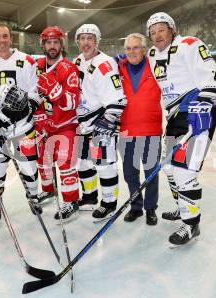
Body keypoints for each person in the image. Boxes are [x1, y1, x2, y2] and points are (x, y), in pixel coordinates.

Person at [146, 12, 216, 246]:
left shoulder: (190, 44)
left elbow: (213, 77)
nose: (157, 35)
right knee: (169, 168)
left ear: (172, 29)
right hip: (174, 117)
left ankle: (191, 225)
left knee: (184, 171)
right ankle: (183, 208)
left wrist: (205, 103)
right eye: (153, 31)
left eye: (162, 29)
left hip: (197, 113)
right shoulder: (152, 54)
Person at [0, 22, 41, 223]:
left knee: (29, 166)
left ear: (11, 38)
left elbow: (35, 94)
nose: (2, 40)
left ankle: (33, 196)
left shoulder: (27, 61)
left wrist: (20, 113)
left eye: (5, 36)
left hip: (24, 127)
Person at [74, 24, 127, 220]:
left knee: (104, 165)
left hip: (100, 122)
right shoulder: (78, 60)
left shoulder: (105, 64)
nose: (86, 42)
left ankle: (109, 203)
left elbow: (118, 98)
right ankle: (89, 197)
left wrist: (108, 120)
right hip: (82, 123)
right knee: (83, 163)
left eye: (90, 38)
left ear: (96, 41)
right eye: (82, 38)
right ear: (78, 41)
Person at [33, 26, 81, 221]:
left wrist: (56, 92)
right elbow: (32, 95)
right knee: (43, 163)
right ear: (43, 44)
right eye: (48, 42)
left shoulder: (68, 68)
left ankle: (71, 201)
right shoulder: (36, 66)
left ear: (61, 44)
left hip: (65, 125)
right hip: (43, 126)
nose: (52, 46)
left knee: (65, 163)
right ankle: (49, 190)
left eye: (56, 42)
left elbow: (72, 103)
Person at [116, 33, 162, 225]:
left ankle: (150, 208)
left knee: (151, 172)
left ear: (144, 49)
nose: (132, 52)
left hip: (151, 129)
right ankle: (136, 207)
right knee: (130, 173)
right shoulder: (119, 68)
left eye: (136, 48)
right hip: (127, 130)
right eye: (128, 48)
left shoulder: (156, 66)